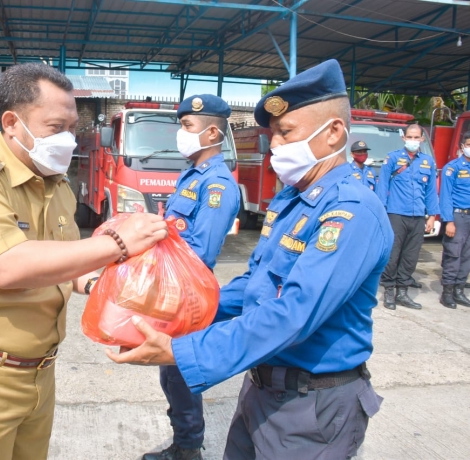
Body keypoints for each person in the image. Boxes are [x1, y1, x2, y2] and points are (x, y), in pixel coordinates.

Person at [107, 59, 393, 460]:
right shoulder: (292, 200)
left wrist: (186, 352)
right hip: (262, 390)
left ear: (333, 133)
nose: (274, 145)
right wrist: (179, 315)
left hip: (312, 408)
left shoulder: (351, 210)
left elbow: (294, 312)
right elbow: (255, 285)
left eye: (286, 132)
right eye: (273, 133)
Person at [0, 63, 167, 460]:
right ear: (12, 122)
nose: (68, 138)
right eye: (55, 126)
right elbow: (8, 266)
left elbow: (63, 263)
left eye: (73, 126)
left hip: (38, 372)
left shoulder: (57, 184)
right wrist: (119, 242)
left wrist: (107, 287)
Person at [143, 95, 239, 460]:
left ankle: (188, 449)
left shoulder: (217, 185)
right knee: (171, 374)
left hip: (189, 292)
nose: (180, 133)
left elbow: (201, 252)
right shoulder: (191, 174)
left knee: (181, 373)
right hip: (173, 288)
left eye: (187, 127)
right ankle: (183, 442)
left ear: (212, 132)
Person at [376, 124, 440, 310]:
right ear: (404, 138)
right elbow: (382, 187)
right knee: (393, 254)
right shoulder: (393, 158)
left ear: (421, 139)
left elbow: (430, 191)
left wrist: (431, 216)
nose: (413, 140)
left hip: (418, 215)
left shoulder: (427, 161)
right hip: (396, 214)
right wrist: (382, 211)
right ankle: (389, 291)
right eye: (409, 137)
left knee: (411, 256)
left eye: (416, 137)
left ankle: (402, 292)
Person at [438, 131, 470, 309]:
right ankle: (447, 293)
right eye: (469, 144)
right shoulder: (453, 167)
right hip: (458, 216)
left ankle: (459, 290)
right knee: (454, 254)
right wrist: (448, 220)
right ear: (462, 147)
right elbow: (445, 196)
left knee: (467, 256)